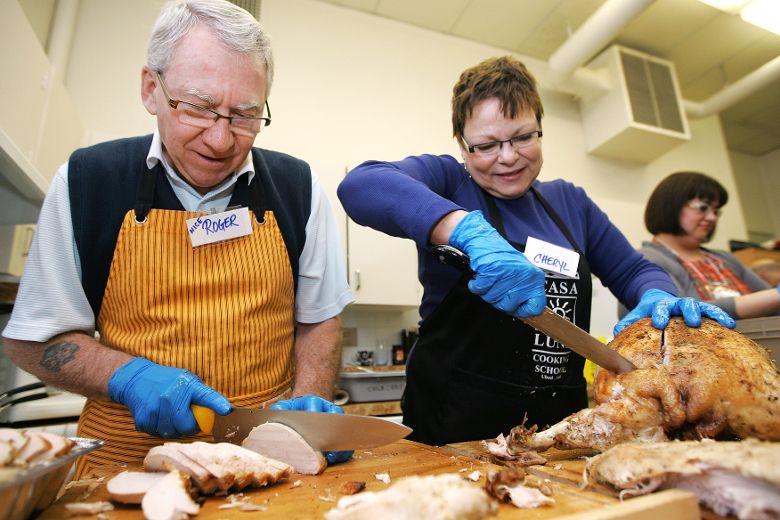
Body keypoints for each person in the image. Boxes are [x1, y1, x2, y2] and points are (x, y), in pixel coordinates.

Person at [1, 0, 353, 476]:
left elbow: (319, 320)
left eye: (245, 114)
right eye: (198, 108)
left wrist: (308, 404)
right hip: (123, 471)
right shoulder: (88, 181)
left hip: (272, 465)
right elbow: (33, 340)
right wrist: (128, 377)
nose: (220, 140)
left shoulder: (298, 188)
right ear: (152, 89)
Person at [337, 56, 734, 446]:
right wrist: (464, 230)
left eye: (523, 137)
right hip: (454, 425)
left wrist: (657, 293)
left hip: (558, 429)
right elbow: (362, 185)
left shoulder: (570, 203)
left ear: (540, 130)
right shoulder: (448, 181)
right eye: (486, 145)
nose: (508, 157)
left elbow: (633, 272)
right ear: (461, 144)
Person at [627, 171, 780, 319]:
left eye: (716, 211)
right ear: (670, 206)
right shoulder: (646, 260)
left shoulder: (725, 259)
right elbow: (681, 315)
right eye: (703, 207)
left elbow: (774, 305)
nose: (712, 217)